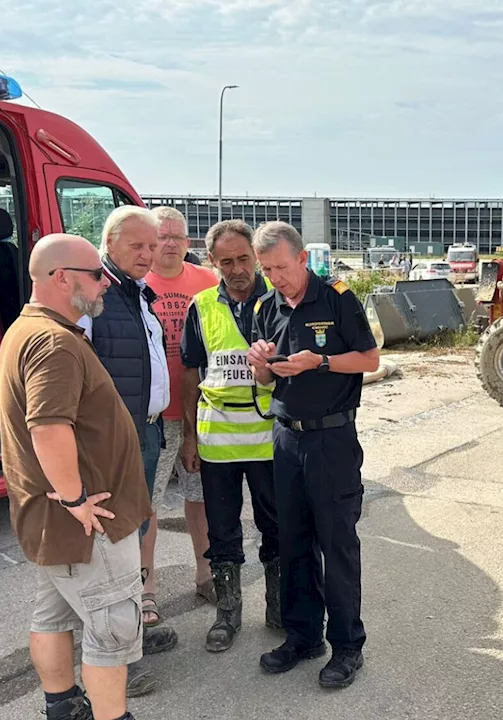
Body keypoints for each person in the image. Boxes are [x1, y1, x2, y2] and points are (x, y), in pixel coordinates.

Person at [0, 233, 147, 720]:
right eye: (95, 274)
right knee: (113, 627)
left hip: (54, 517)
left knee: (53, 614)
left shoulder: (30, 328)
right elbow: (48, 427)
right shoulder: (52, 341)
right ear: (62, 278)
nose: (105, 283)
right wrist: (76, 499)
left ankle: (62, 707)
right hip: (87, 522)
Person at [246, 221, 379, 689]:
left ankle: (347, 646)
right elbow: (266, 383)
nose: (274, 276)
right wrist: (260, 365)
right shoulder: (266, 307)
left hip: (331, 441)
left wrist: (319, 361)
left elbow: (369, 359)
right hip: (286, 438)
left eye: (281, 267)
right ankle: (303, 636)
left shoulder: (338, 297)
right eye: (267, 269)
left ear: (302, 259)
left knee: (336, 543)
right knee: (293, 541)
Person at [78, 205, 178, 696]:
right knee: (111, 549)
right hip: (114, 442)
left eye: (153, 244)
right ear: (109, 242)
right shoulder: (95, 295)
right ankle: (112, 660)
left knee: (130, 538)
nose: (149, 253)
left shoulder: (136, 293)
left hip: (145, 432)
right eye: (137, 245)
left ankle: (127, 639)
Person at [178, 219, 283, 653]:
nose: (238, 268)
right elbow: (189, 372)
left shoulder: (280, 303)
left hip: (268, 439)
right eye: (227, 261)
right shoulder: (201, 306)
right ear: (212, 262)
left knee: (276, 527)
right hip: (217, 441)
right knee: (222, 532)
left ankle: (278, 607)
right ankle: (228, 615)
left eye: (244, 258)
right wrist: (188, 436)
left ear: (255, 257)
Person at [142, 206, 220, 607]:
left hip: (199, 413)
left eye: (178, 236)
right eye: (162, 235)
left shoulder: (207, 282)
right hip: (154, 417)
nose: (170, 243)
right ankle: (147, 589)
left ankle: (206, 574)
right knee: (147, 506)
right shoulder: (135, 282)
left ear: (188, 243)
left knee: (200, 497)